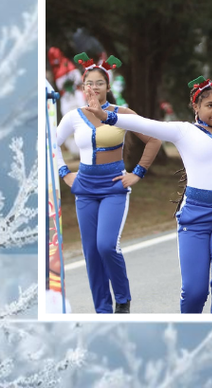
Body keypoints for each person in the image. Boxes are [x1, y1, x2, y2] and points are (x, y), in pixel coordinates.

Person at [84, 68, 212, 314]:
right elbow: (144, 123)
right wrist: (106, 116)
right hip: (195, 217)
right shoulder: (184, 131)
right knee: (195, 292)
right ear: (195, 108)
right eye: (209, 106)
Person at [55, 53, 161, 314]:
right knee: (91, 252)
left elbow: (154, 139)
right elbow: (49, 144)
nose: (94, 87)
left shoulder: (121, 114)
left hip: (114, 186)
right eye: (89, 83)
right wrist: (64, 172)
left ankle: (122, 298)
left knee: (106, 245)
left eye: (99, 82)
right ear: (82, 87)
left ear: (108, 86)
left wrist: (137, 172)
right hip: (85, 188)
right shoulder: (72, 117)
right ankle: (102, 310)